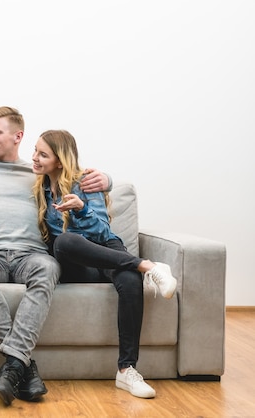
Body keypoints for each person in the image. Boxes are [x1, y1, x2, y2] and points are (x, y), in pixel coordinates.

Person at [0, 106, 111, 406]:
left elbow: (78, 177)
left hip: (31, 254)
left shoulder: (39, 170)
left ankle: (13, 364)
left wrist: (108, 178)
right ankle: (23, 365)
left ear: (18, 136)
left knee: (49, 267)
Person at [30, 129, 178, 399]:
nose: (35, 158)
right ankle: (146, 265)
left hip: (106, 251)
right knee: (64, 242)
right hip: (78, 263)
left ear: (60, 161)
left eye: (42, 154)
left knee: (130, 281)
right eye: (35, 151)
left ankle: (126, 371)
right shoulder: (40, 187)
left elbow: (101, 233)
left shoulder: (85, 183)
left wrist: (81, 209)